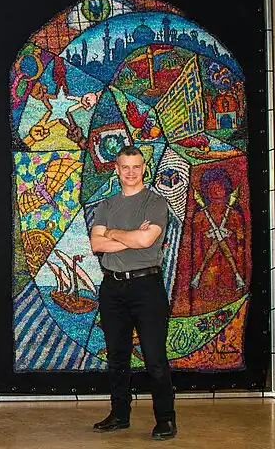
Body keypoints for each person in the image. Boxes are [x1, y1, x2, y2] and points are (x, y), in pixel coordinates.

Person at [88, 145, 177, 441]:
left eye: (136, 167)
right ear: (116, 169)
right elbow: (97, 245)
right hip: (112, 288)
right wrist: (130, 237)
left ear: (143, 168)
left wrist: (112, 233)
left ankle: (165, 419)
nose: (130, 172)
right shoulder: (106, 205)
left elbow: (145, 240)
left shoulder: (156, 202)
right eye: (125, 167)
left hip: (146, 287)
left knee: (154, 357)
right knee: (117, 356)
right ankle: (119, 415)